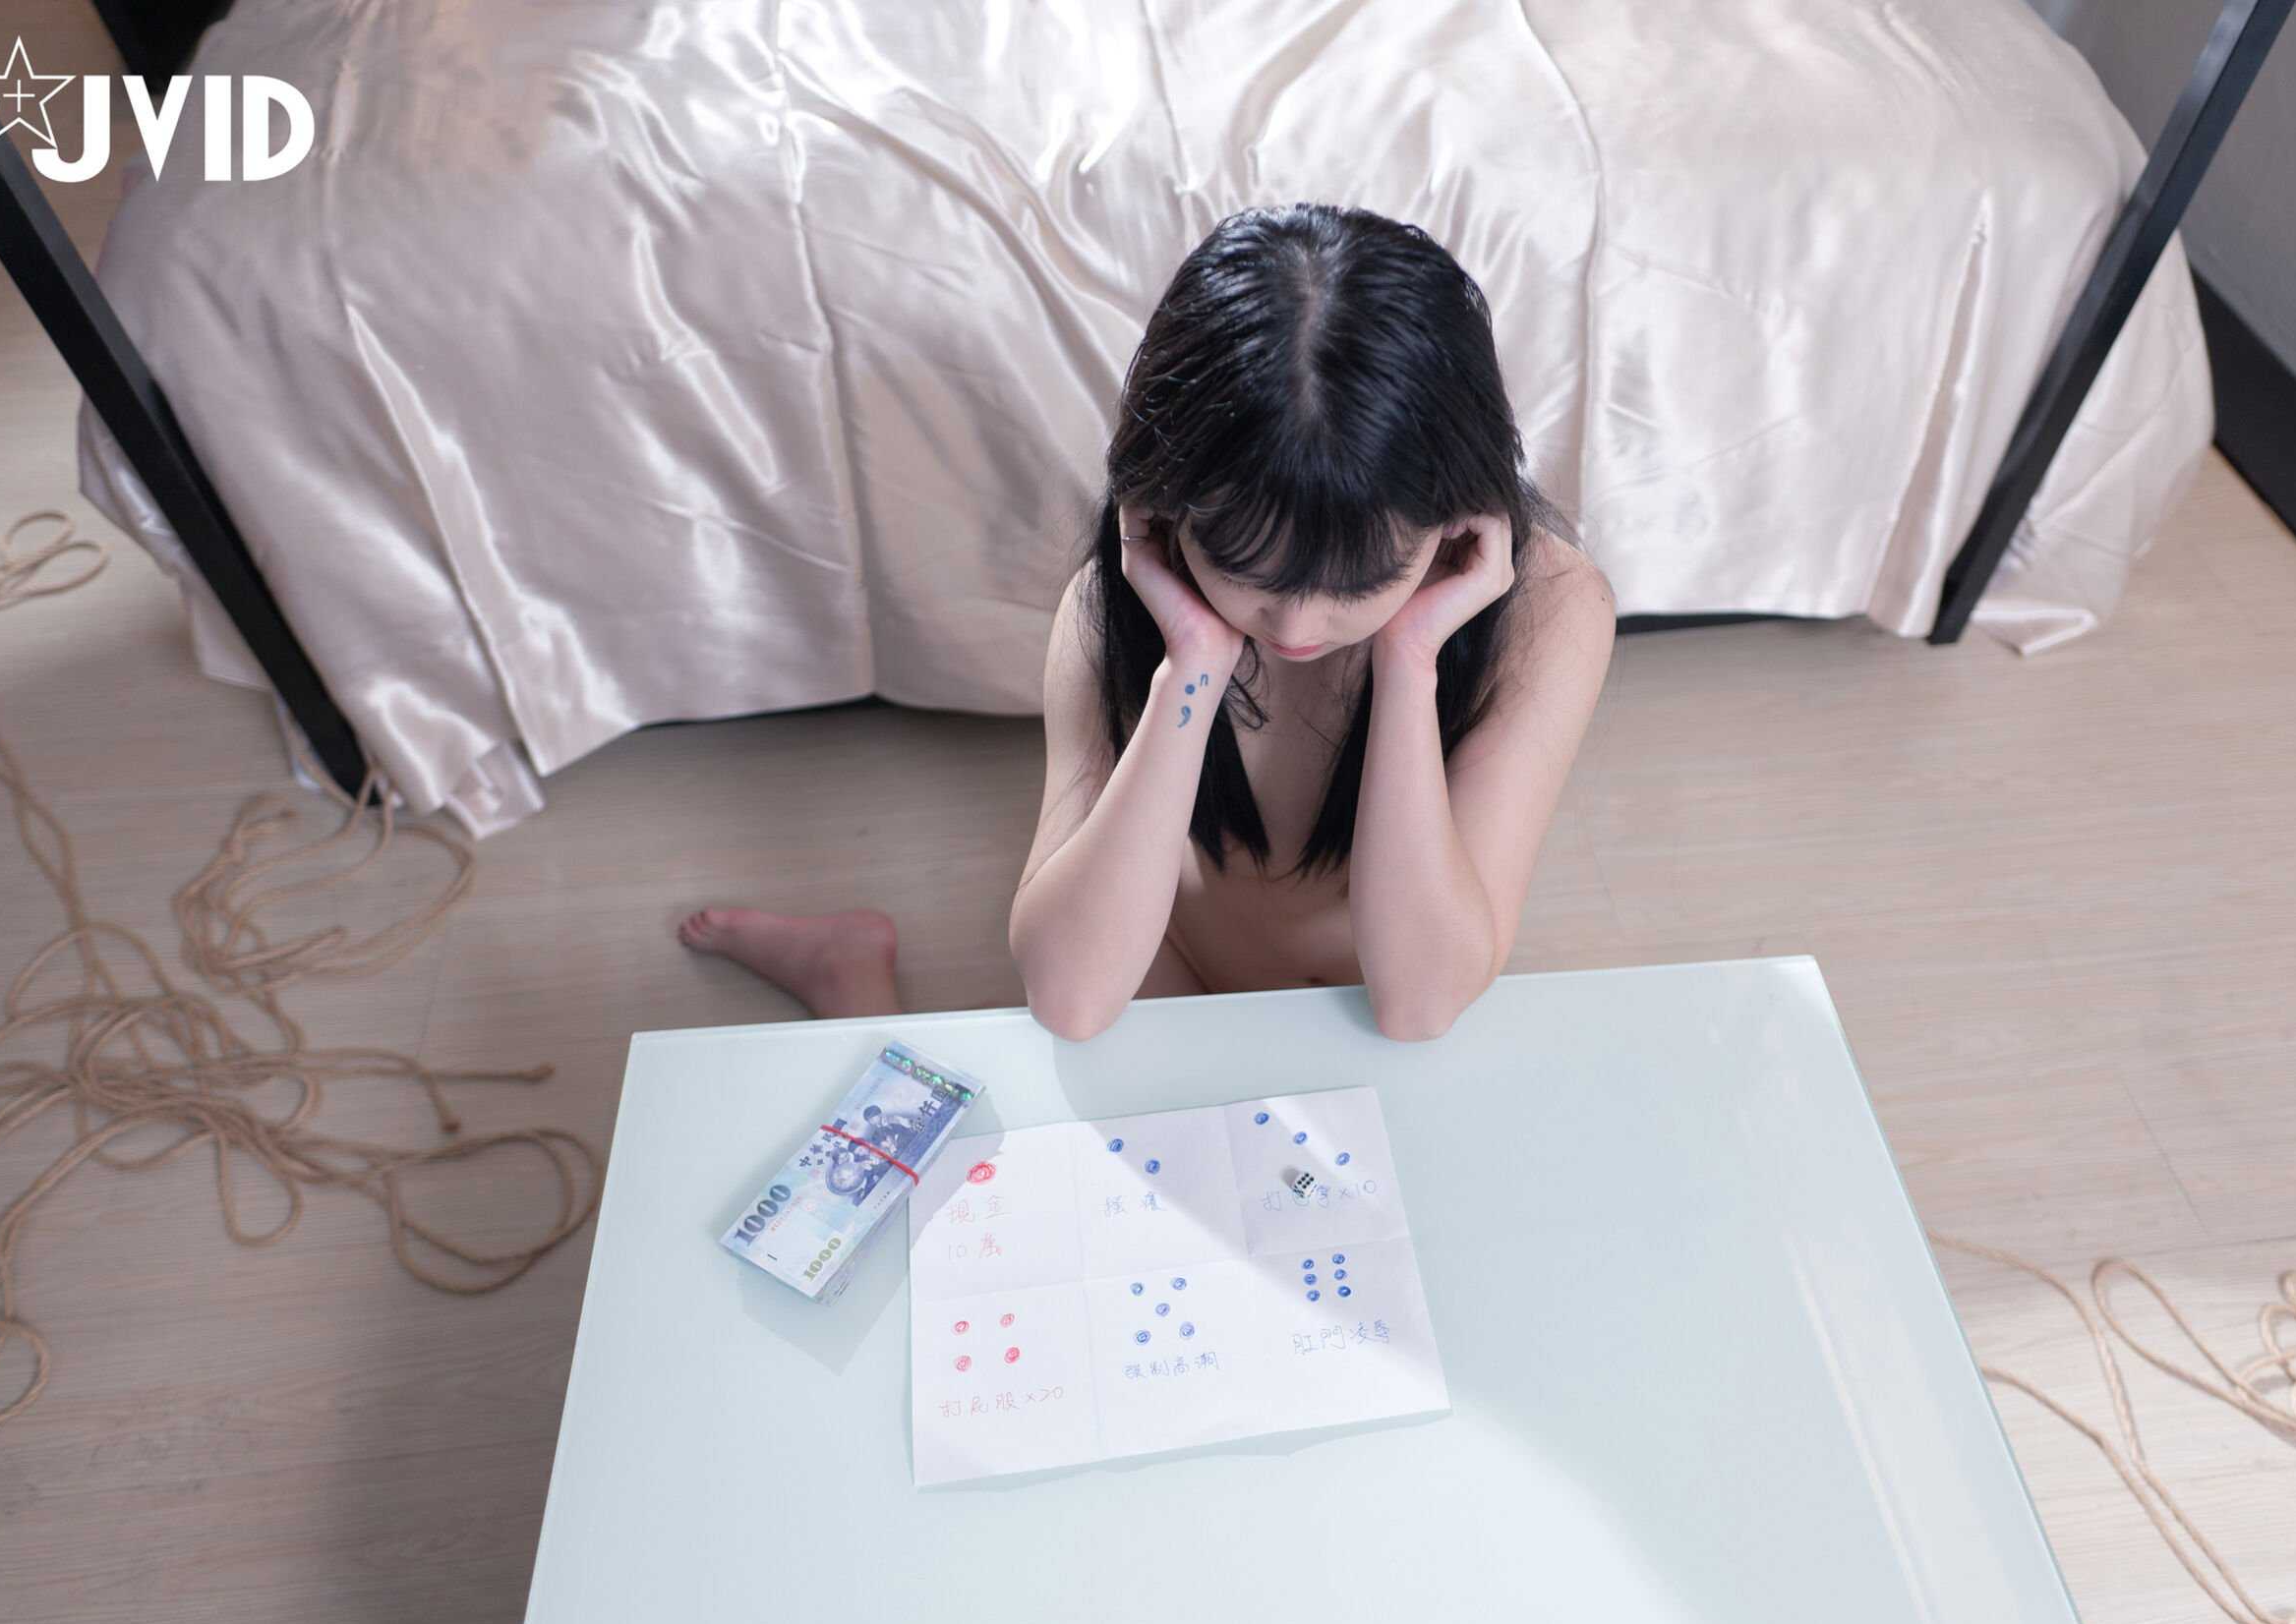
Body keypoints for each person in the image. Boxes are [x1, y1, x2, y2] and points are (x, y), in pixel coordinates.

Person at [681, 203, 1615, 1040]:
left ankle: (848, 977)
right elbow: (1072, 1001)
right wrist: (1191, 666)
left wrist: (1411, 660)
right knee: (959, 1168)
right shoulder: (1119, 599)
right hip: (1165, 975)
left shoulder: (1548, 610)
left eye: (1364, 578)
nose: (1297, 624)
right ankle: (850, 979)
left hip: (1375, 998)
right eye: (1245, 568)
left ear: (1457, 523)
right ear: (1164, 509)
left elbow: (1418, 1006)